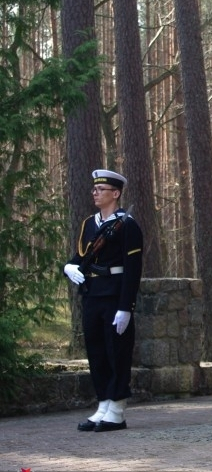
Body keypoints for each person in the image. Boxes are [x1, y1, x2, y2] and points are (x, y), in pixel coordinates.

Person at [63, 169, 144, 432]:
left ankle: (117, 409)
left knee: (116, 352)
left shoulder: (127, 225)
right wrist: (69, 267)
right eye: (94, 189)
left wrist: (126, 307)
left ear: (116, 193)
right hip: (92, 294)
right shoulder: (89, 224)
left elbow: (133, 269)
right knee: (96, 351)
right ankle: (103, 405)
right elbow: (80, 257)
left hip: (114, 295)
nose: (95, 193)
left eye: (101, 190)